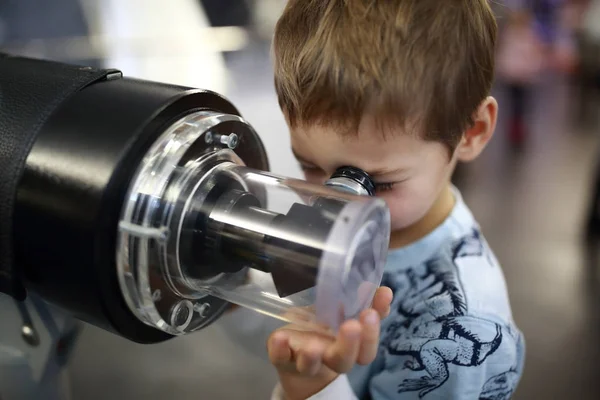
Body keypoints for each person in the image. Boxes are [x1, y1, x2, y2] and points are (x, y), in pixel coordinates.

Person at [266, 1, 526, 399]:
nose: (338, 203)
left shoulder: (462, 329)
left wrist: (312, 389)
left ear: (471, 132)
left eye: (377, 183)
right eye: (310, 166)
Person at [496, 9, 545, 147]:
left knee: (521, 105)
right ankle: (514, 127)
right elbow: (505, 55)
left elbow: (534, 56)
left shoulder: (528, 36)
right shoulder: (511, 36)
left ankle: (518, 127)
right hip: (514, 77)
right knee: (515, 105)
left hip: (523, 78)